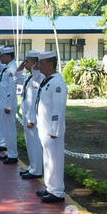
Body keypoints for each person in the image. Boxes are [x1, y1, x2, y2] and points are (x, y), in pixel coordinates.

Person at [35, 51, 67, 203]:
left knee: (55, 160)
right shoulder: (47, 80)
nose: (38, 65)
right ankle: (50, 187)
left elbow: (58, 109)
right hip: (44, 127)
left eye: (41, 63)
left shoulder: (57, 83)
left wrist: (54, 129)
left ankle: (58, 191)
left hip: (52, 129)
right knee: (47, 159)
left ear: (50, 64)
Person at [15, 51, 45, 179]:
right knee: (29, 143)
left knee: (35, 144)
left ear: (34, 63)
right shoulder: (29, 77)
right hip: (27, 114)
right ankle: (32, 167)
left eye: (27, 61)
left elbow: (36, 101)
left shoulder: (40, 78)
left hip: (33, 117)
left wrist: (32, 119)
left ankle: (37, 170)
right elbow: (16, 80)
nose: (25, 63)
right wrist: (19, 70)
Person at [0, 46, 18, 164]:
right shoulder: (8, 67)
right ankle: (10, 152)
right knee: (6, 129)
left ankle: (13, 155)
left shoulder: (11, 69)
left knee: (10, 130)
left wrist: (8, 106)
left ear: (8, 56)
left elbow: (12, 90)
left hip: (8, 104)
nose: (1, 57)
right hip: (3, 102)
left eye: (2, 56)